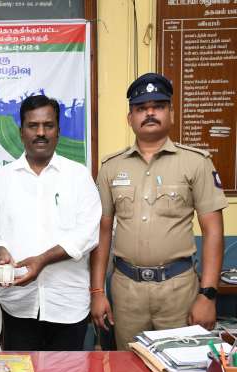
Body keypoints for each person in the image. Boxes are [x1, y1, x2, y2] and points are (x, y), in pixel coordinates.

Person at [90, 73, 228, 350]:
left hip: (179, 290)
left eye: (158, 106)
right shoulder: (111, 167)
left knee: (180, 369)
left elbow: (213, 231)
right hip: (126, 291)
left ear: (171, 114)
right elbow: (102, 232)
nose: (150, 113)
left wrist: (208, 295)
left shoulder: (196, 163)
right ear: (130, 118)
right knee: (128, 368)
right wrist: (97, 292)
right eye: (141, 108)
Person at [0, 95, 101, 351]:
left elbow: (87, 234)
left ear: (58, 131)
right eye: (33, 126)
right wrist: (0, 252)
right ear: (21, 132)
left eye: (48, 125)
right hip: (17, 304)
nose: (41, 133)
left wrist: (42, 260)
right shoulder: (2, 179)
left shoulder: (78, 176)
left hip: (68, 305)